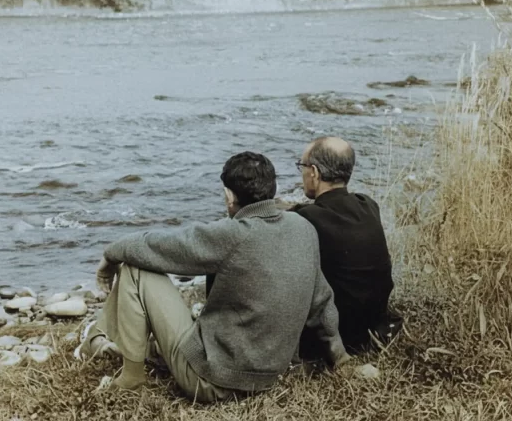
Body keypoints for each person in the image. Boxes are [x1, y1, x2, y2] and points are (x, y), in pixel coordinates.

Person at [76, 151, 349, 402]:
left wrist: (110, 256)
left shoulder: (233, 234)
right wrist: (341, 358)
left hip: (212, 381)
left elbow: (152, 246)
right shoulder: (303, 228)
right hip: (270, 377)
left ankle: (131, 377)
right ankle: (98, 340)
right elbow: (322, 302)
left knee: (134, 268)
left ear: (229, 196)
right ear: (271, 189)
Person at [291, 137, 401, 358]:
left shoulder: (306, 219)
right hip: (373, 327)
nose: (302, 172)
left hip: (338, 335)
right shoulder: (368, 204)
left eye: (301, 166)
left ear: (314, 172)